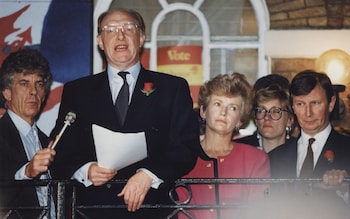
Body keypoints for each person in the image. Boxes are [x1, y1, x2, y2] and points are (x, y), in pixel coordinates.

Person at [50, 8, 199, 218]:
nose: (120, 36)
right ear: (100, 41)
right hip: (93, 210)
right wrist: (85, 170)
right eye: (110, 30)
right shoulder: (78, 91)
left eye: (128, 28)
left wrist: (149, 175)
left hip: (153, 209)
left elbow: (186, 147)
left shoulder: (172, 88)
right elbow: (61, 149)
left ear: (141, 38)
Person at [176, 73, 270, 219]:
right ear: (203, 111)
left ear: (240, 121)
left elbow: (259, 210)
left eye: (232, 108)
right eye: (217, 104)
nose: (223, 112)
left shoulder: (255, 158)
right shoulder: (183, 155)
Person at [269, 70, 350, 218]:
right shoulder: (275, 157)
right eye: (300, 104)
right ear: (293, 107)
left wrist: (346, 188)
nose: (308, 113)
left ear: (331, 104)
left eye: (315, 103)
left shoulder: (347, 150)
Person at [0, 48, 56, 218]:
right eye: (24, 84)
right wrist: (26, 173)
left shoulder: (47, 141)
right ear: (7, 92)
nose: (33, 91)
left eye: (39, 84)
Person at [235, 74, 295, 154]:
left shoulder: (301, 152)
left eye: (276, 111)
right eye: (261, 111)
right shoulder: (238, 150)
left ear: (289, 120)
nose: (267, 117)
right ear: (255, 118)